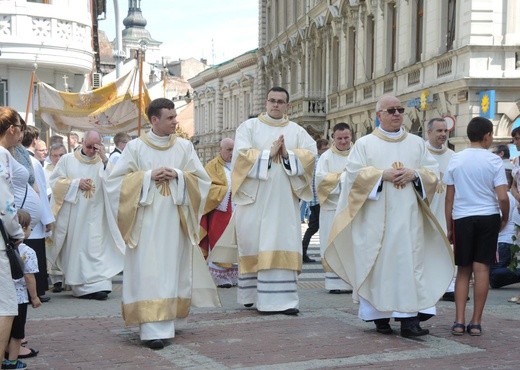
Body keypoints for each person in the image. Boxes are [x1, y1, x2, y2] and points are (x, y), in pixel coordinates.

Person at [325, 95, 453, 337]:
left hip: (408, 220)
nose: (396, 114)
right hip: (374, 221)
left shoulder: (416, 144)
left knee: (409, 265)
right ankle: (379, 318)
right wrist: (380, 175)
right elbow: (351, 175)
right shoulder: (364, 144)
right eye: (391, 110)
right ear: (379, 115)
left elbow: (432, 172)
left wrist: (415, 174)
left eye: (400, 110)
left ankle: (409, 321)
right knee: (378, 266)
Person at [106, 98, 218, 350]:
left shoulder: (185, 147)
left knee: (169, 271)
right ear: (154, 120)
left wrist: (178, 175)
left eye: (175, 116)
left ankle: (166, 324)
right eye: (170, 118)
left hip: (174, 223)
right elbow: (114, 183)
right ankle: (150, 329)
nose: (175, 121)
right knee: (149, 273)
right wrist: (147, 177)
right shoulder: (135, 148)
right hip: (144, 225)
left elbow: (202, 181)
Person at [232, 86, 317, 315]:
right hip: (256, 198)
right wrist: (268, 154)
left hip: (283, 202)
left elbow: (310, 155)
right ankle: (251, 295)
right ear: (266, 103)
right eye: (272, 100)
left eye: (281, 101)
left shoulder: (297, 131)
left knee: (283, 241)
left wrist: (288, 155)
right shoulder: (248, 127)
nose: (276, 105)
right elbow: (240, 156)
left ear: (287, 105)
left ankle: (285, 301)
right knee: (253, 242)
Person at [444, 116, 509, 336]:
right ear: (487, 136)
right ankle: (476, 323)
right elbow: (502, 197)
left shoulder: (455, 159)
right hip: (488, 216)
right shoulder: (494, 161)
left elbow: (449, 198)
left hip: (462, 217)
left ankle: (459, 321)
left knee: (463, 270)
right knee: (482, 269)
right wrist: (505, 217)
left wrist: (449, 226)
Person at [48, 130, 124, 301]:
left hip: (99, 215)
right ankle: (81, 287)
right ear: (82, 142)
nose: (91, 150)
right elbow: (55, 182)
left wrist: (105, 158)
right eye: (89, 146)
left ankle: (101, 285)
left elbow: (116, 182)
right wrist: (75, 184)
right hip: (76, 216)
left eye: (95, 147)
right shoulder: (68, 160)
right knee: (80, 248)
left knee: (97, 247)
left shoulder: (103, 161)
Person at [0, 107, 25, 365]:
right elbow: (5, 204)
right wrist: (16, 233)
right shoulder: (2, 155)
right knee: (5, 308)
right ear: (11, 129)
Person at [316, 123, 353, 294]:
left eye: (346, 137)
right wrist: (344, 179)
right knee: (333, 245)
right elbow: (321, 182)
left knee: (351, 245)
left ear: (351, 136)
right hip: (332, 208)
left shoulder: (358, 153)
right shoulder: (326, 158)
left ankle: (352, 281)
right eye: (340, 138)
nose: (343, 141)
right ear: (333, 138)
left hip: (353, 208)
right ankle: (335, 283)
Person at [424, 118, 459, 302]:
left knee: (446, 247)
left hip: (445, 208)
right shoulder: (420, 153)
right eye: (438, 131)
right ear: (428, 133)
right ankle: (427, 284)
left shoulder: (453, 156)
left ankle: (448, 285)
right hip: (426, 208)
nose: (443, 134)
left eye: (445, 131)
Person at [3, 210, 41, 370]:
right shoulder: (28, 252)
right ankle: (12, 361)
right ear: (23, 229)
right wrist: (34, 297)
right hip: (20, 298)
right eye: (30, 227)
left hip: (4, 295)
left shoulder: (3, 251)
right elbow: (29, 277)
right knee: (18, 333)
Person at [200, 138, 238, 288]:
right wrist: (227, 189)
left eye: (234, 149)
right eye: (229, 150)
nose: (232, 153)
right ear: (220, 150)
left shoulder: (239, 165)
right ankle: (219, 277)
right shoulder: (212, 166)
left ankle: (233, 276)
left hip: (236, 210)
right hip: (219, 212)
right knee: (219, 240)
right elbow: (206, 187)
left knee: (235, 242)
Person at [22, 129, 54, 303]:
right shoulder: (32, 162)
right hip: (33, 217)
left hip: (23, 216)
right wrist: (47, 219)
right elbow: (40, 191)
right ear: (34, 141)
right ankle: (37, 290)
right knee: (35, 255)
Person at [489, 170, 520, 292]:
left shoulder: (504, 197)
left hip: (504, 242)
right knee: (493, 277)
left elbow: (501, 219)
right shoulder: (511, 197)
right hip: (506, 242)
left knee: (494, 276)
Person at [43, 143, 67, 293]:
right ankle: (56, 279)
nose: (58, 158)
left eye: (61, 155)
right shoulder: (45, 171)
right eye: (55, 155)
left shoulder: (70, 168)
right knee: (53, 244)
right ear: (50, 156)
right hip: (51, 212)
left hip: (67, 211)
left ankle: (68, 277)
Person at [301, 138, 329, 264]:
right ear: (318, 149)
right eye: (324, 149)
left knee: (314, 227)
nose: (326, 151)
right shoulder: (318, 161)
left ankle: (303, 252)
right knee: (314, 227)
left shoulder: (318, 160)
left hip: (316, 200)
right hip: (318, 200)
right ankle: (303, 252)